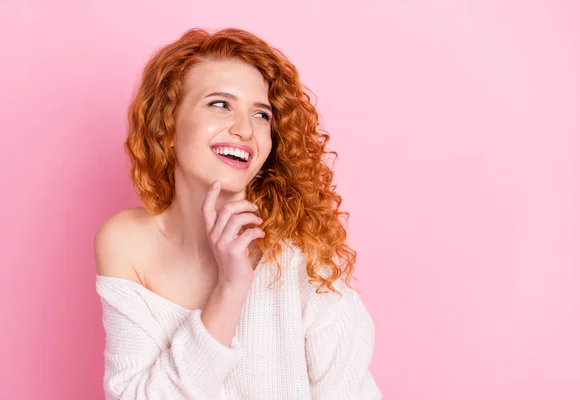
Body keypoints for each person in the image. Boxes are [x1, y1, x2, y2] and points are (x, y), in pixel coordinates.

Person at [94, 27, 382, 399]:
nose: (245, 129)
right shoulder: (126, 243)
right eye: (220, 104)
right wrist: (229, 292)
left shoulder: (304, 255)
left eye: (261, 115)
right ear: (166, 125)